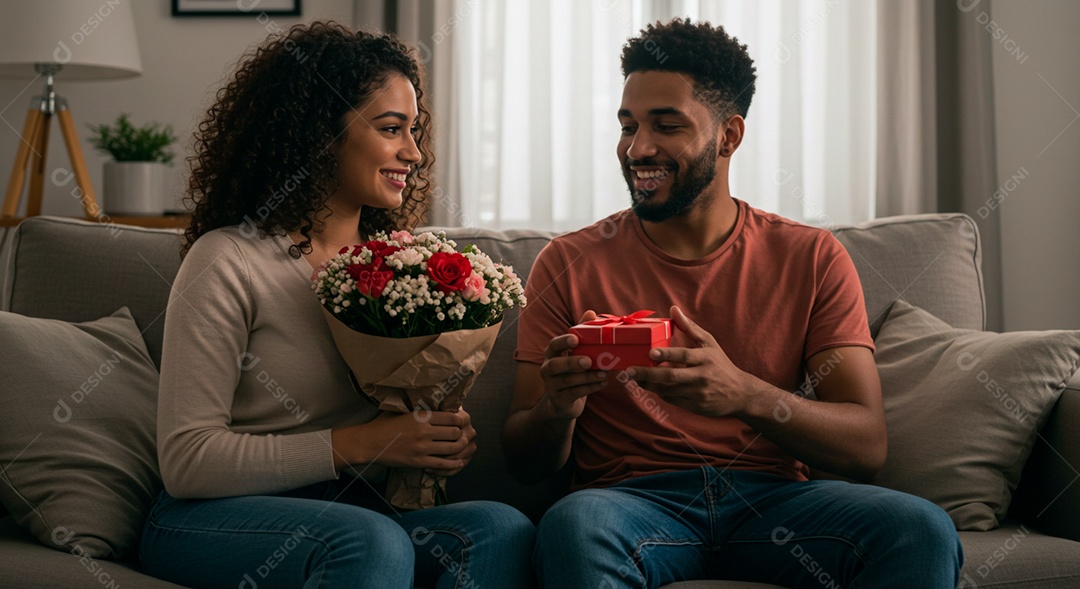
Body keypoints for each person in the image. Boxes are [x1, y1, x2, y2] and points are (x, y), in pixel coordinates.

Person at [504, 17, 962, 589]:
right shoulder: (566, 261)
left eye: (666, 125)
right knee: (574, 524)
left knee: (920, 527)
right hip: (629, 506)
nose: (637, 148)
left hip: (777, 505)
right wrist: (558, 407)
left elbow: (865, 446)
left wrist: (743, 394)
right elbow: (524, 464)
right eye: (628, 125)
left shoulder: (812, 257)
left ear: (729, 135)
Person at [140, 22, 534, 589]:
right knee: (367, 541)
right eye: (391, 128)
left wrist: (431, 430)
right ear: (320, 134)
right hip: (214, 516)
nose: (414, 153)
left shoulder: (402, 271)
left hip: (356, 510)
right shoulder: (227, 260)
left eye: (414, 130)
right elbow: (187, 462)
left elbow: (397, 421)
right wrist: (367, 443)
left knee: (499, 527)